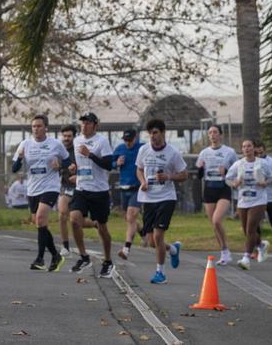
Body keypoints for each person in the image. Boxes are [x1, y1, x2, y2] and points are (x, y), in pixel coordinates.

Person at [12, 114, 70, 272]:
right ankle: (55, 256)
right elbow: (14, 169)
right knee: (39, 224)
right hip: (33, 188)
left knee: (40, 218)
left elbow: (68, 161)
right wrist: (20, 159)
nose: (36, 129)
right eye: (33, 126)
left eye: (39, 126)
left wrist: (60, 165)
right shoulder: (25, 144)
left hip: (50, 186)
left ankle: (39, 259)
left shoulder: (55, 144)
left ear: (46, 128)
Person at [135, 118, 186, 284]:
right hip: (148, 198)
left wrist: (169, 176)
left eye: (155, 133)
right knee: (151, 242)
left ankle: (160, 273)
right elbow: (139, 169)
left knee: (158, 236)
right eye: (150, 133)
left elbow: (184, 174)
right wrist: (142, 182)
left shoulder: (173, 153)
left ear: (163, 133)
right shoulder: (144, 150)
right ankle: (172, 249)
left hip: (166, 198)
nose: (152, 136)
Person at [69, 113, 117, 278]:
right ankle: (84, 257)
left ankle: (108, 261)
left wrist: (90, 154)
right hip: (82, 188)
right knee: (74, 219)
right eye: (82, 122)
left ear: (95, 125)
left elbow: (108, 165)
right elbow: (79, 161)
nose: (84, 125)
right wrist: (74, 167)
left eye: (88, 123)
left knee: (102, 227)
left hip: (99, 190)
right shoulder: (76, 140)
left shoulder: (102, 141)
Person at [226, 138, 272, 270]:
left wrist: (265, 183)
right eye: (244, 147)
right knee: (246, 231)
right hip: (243, 200)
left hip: (258, 200)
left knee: (250, 228)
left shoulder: (263, 163)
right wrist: (234, 184)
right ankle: (260, 245)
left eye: (249, 146)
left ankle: (246, 258)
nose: (246, 149)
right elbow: (227, 178)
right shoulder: (238, 164)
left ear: (254, 148)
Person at [195, 125, 237, 265]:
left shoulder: (229, 152)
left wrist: (226, 170)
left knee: (217, 220)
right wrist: (200, 169)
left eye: (215, 132)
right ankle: (224, 252)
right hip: (209, 188)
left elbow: (237, 170)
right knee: (214, 224)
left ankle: (226, 251)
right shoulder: (204, 153)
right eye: (210, 133)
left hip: (223, 188)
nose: (212, 135)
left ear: (220, 135)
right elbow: (199, 175)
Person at [114, 129, 144, 260]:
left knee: (131, 215)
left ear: (136, 138)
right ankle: (143, 233)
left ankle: (126, 249)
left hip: (138, 188)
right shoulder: (120, 148)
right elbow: (109, 163)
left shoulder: (142, 148)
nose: (127, 143)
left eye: (130, 140)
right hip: (124, 187)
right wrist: (116, 163)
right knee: (129, 218)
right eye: (125, 140)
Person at [58, 124, 77, 256]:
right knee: (62, 214)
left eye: (69, 136)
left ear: (74, 137)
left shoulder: (78, 150)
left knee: (76, 220)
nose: (66, 138)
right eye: (64, 136)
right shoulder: (58, 150)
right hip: (65, 186)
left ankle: (95, 224)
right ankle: (65, 246)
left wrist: (77, 173)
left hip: (79, 186)